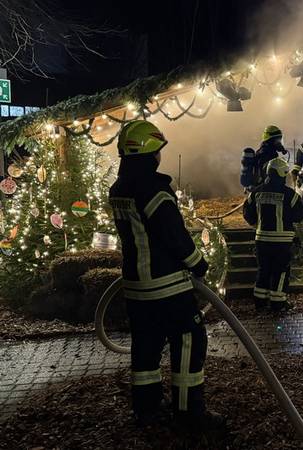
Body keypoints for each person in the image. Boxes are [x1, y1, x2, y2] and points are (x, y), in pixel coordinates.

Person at [109, 120, 224, 430]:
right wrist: (198, 264)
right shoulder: (153, 189)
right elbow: (173, 234)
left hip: (136, 287)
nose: (160, 155)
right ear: (150, 152)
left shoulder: (119, 189)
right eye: (157, 150)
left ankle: (146, 410)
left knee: (145, 347)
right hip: (166, 285)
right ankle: (188, 413)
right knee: (189, 340)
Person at [243, 157, 303, 312]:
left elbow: (247, 213)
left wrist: (256, 224)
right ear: (282, 174)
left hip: (262, 240)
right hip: (282, 242)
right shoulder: (290, 194)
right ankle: (278, 303)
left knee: (263, 270)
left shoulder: (256, 192)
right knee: (281, 271)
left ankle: (260, 302)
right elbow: (300, 214)